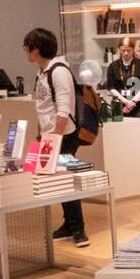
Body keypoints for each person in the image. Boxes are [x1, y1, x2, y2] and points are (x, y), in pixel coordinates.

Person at [24, 27, 88, 247]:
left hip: (64, 136)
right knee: (57, 181)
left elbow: (63, 109)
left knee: (64, 180)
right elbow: (42, 107)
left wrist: (55, 138)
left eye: (27, 46)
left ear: (37, 49)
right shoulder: (41, 72)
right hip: (49, 136)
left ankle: (78, 228)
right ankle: (69, 225)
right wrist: (40, 134)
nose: (25, 50)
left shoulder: (58, 71)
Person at [106, 36, 140, 118]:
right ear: (119, 50)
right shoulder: (113, 66)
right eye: (123, 50)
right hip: (119, 105)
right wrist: (125, 102)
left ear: (133, 50)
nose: (126, 53)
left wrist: (132, 102)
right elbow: (111, 87)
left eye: (128, 50)